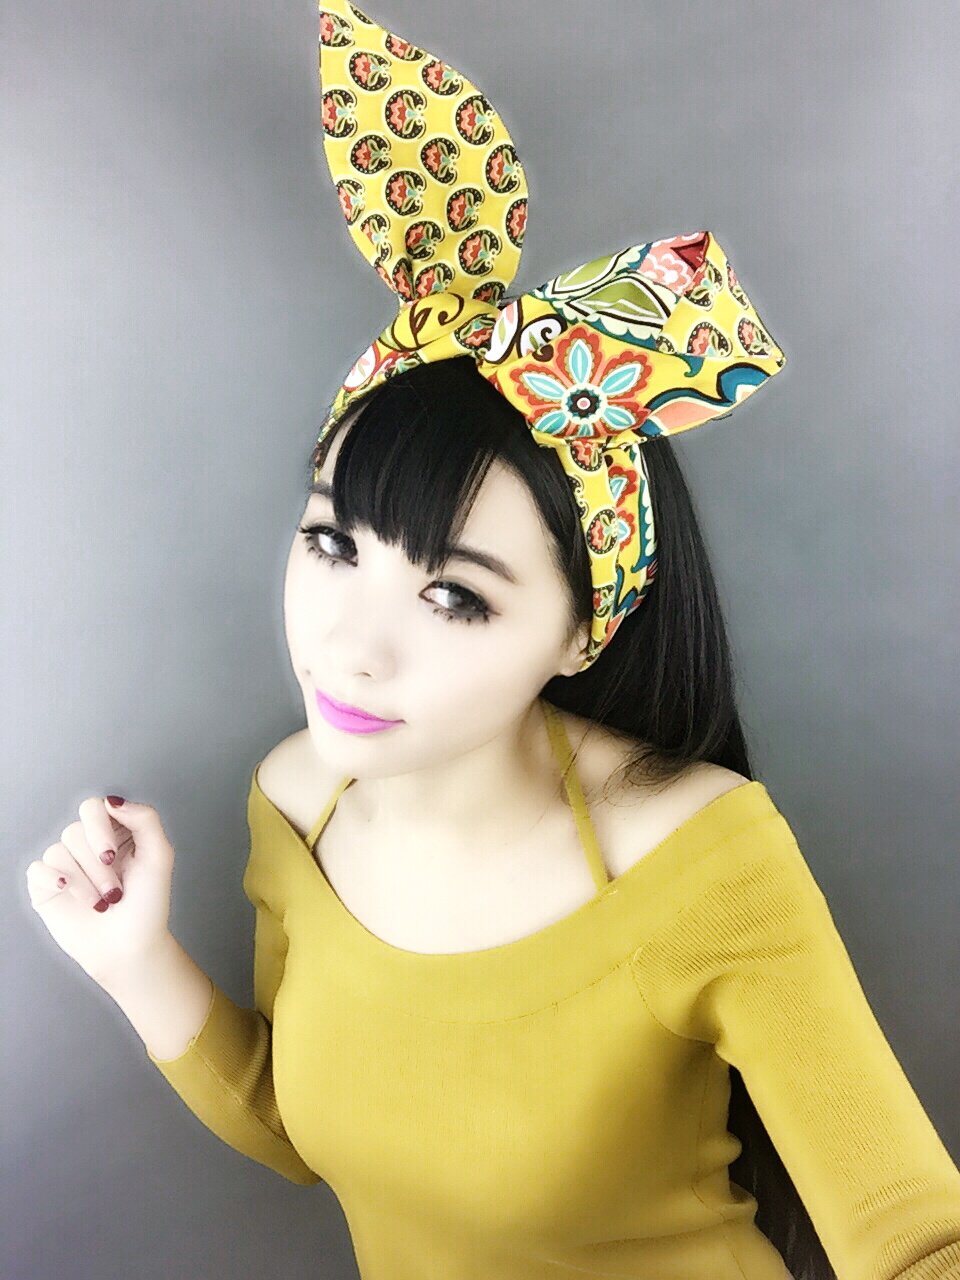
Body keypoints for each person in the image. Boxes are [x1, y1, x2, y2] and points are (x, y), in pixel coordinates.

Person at [25, 4, 960, 1279]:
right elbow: (315, 1130)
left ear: (582, 631)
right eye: (333, 542)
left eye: (455, 597)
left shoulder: (697, 855)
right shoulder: (296, 800)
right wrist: (134, 959)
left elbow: (916, 1237)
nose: (352, 649)